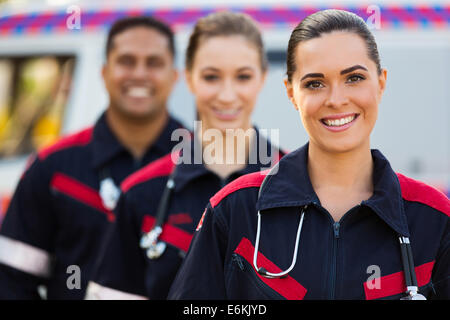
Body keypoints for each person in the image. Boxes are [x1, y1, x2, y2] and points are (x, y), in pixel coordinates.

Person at [168, 9, 450, 300]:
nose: (336, 100)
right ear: (291, 92)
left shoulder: (434, 219)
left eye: (354, 78)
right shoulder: (236, 209)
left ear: (381, 82)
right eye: (315, 83)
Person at [85, 11, 285, 300]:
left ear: (262, 78)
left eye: (243, 77)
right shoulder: (141, 193)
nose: (227, 95)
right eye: (211, 77)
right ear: (189, 78)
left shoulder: (301, 183)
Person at [0, 16, 184, 299]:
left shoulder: (202, 164)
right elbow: (11, 281)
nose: (139, 73)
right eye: (126, 61)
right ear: (104, 72)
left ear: (174, 76)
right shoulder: (53, 169)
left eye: (154, 63)